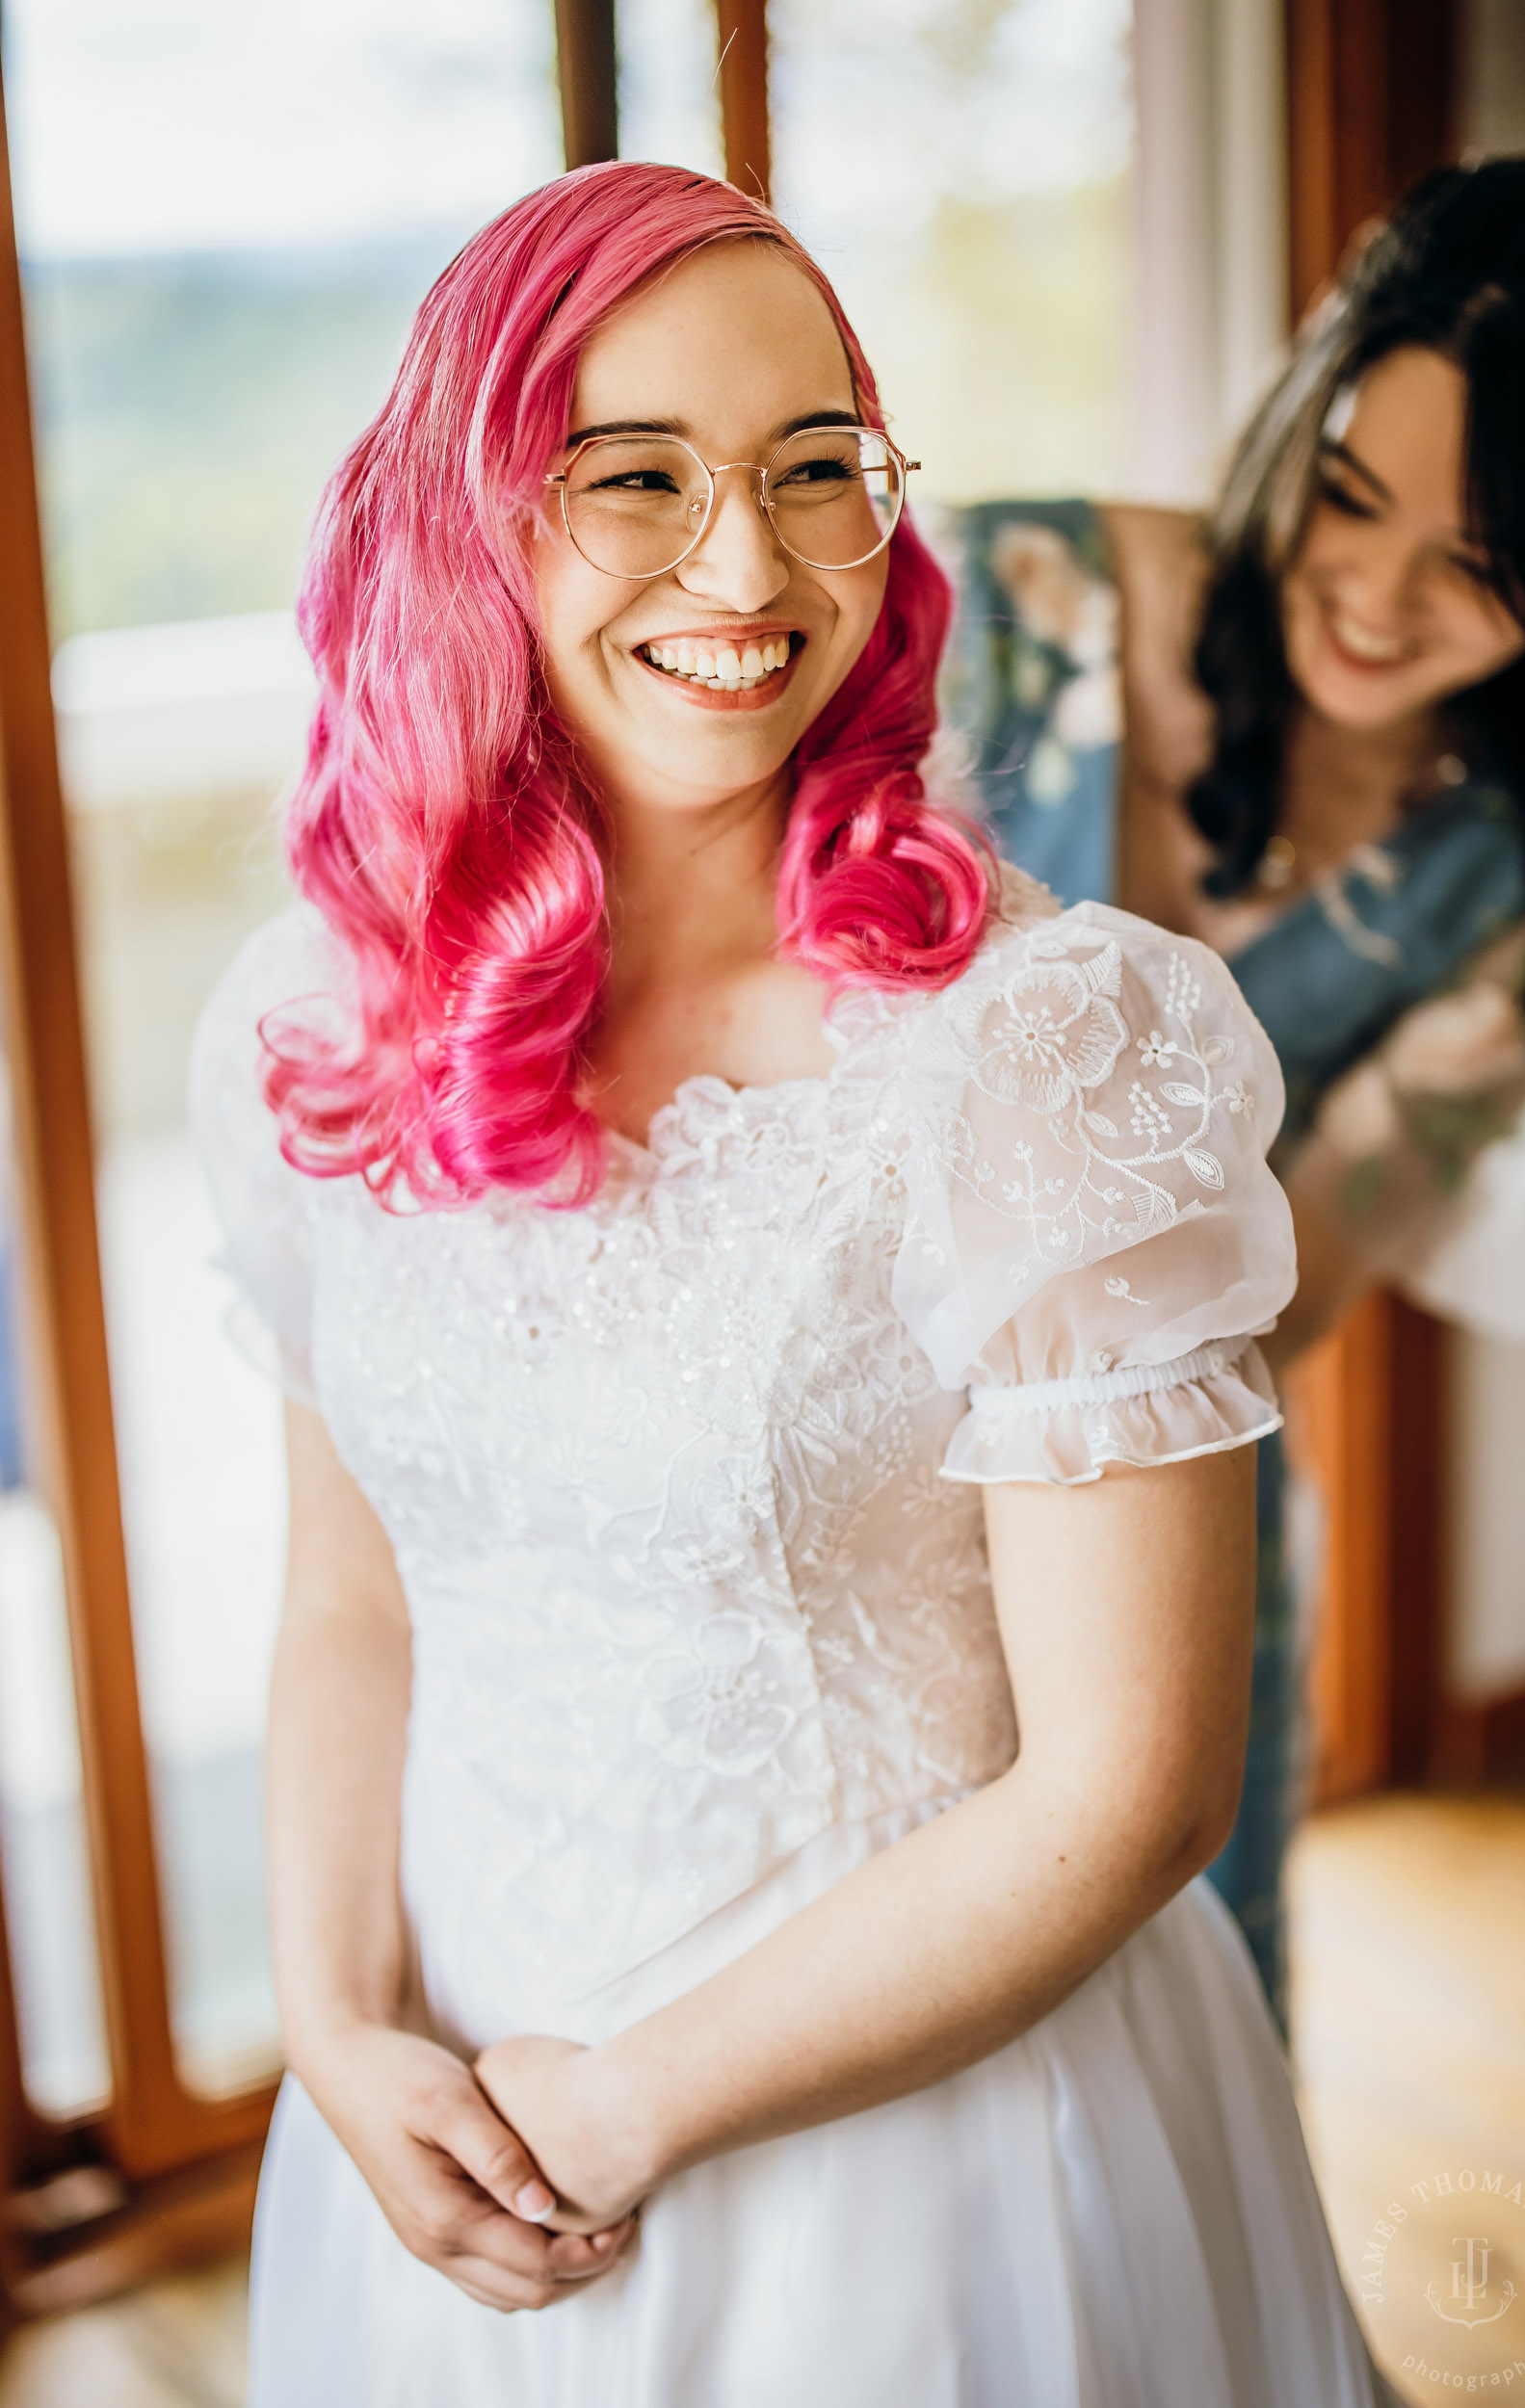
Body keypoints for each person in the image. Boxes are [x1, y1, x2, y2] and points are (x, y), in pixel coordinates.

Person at [193, 162, 1384, 2404]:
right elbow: (357, 1599)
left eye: (815, 470)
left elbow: (1132, 1786)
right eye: (634, 475)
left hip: (926, 2158)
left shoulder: (1043, 1046)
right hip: (437, 2109)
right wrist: (344, 2026)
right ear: (467, 517)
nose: (749, 570)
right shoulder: (308, 1027)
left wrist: (618, 2112)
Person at [945, 157, 1525, 2022]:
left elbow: (1291, 1292)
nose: (1375, 602)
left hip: (1171, 1514)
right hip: (857, 1469)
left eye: (1478, 566)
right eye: (1347, 492)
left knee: (1194, 2020)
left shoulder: (1512, 887)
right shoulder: (1007, 605)